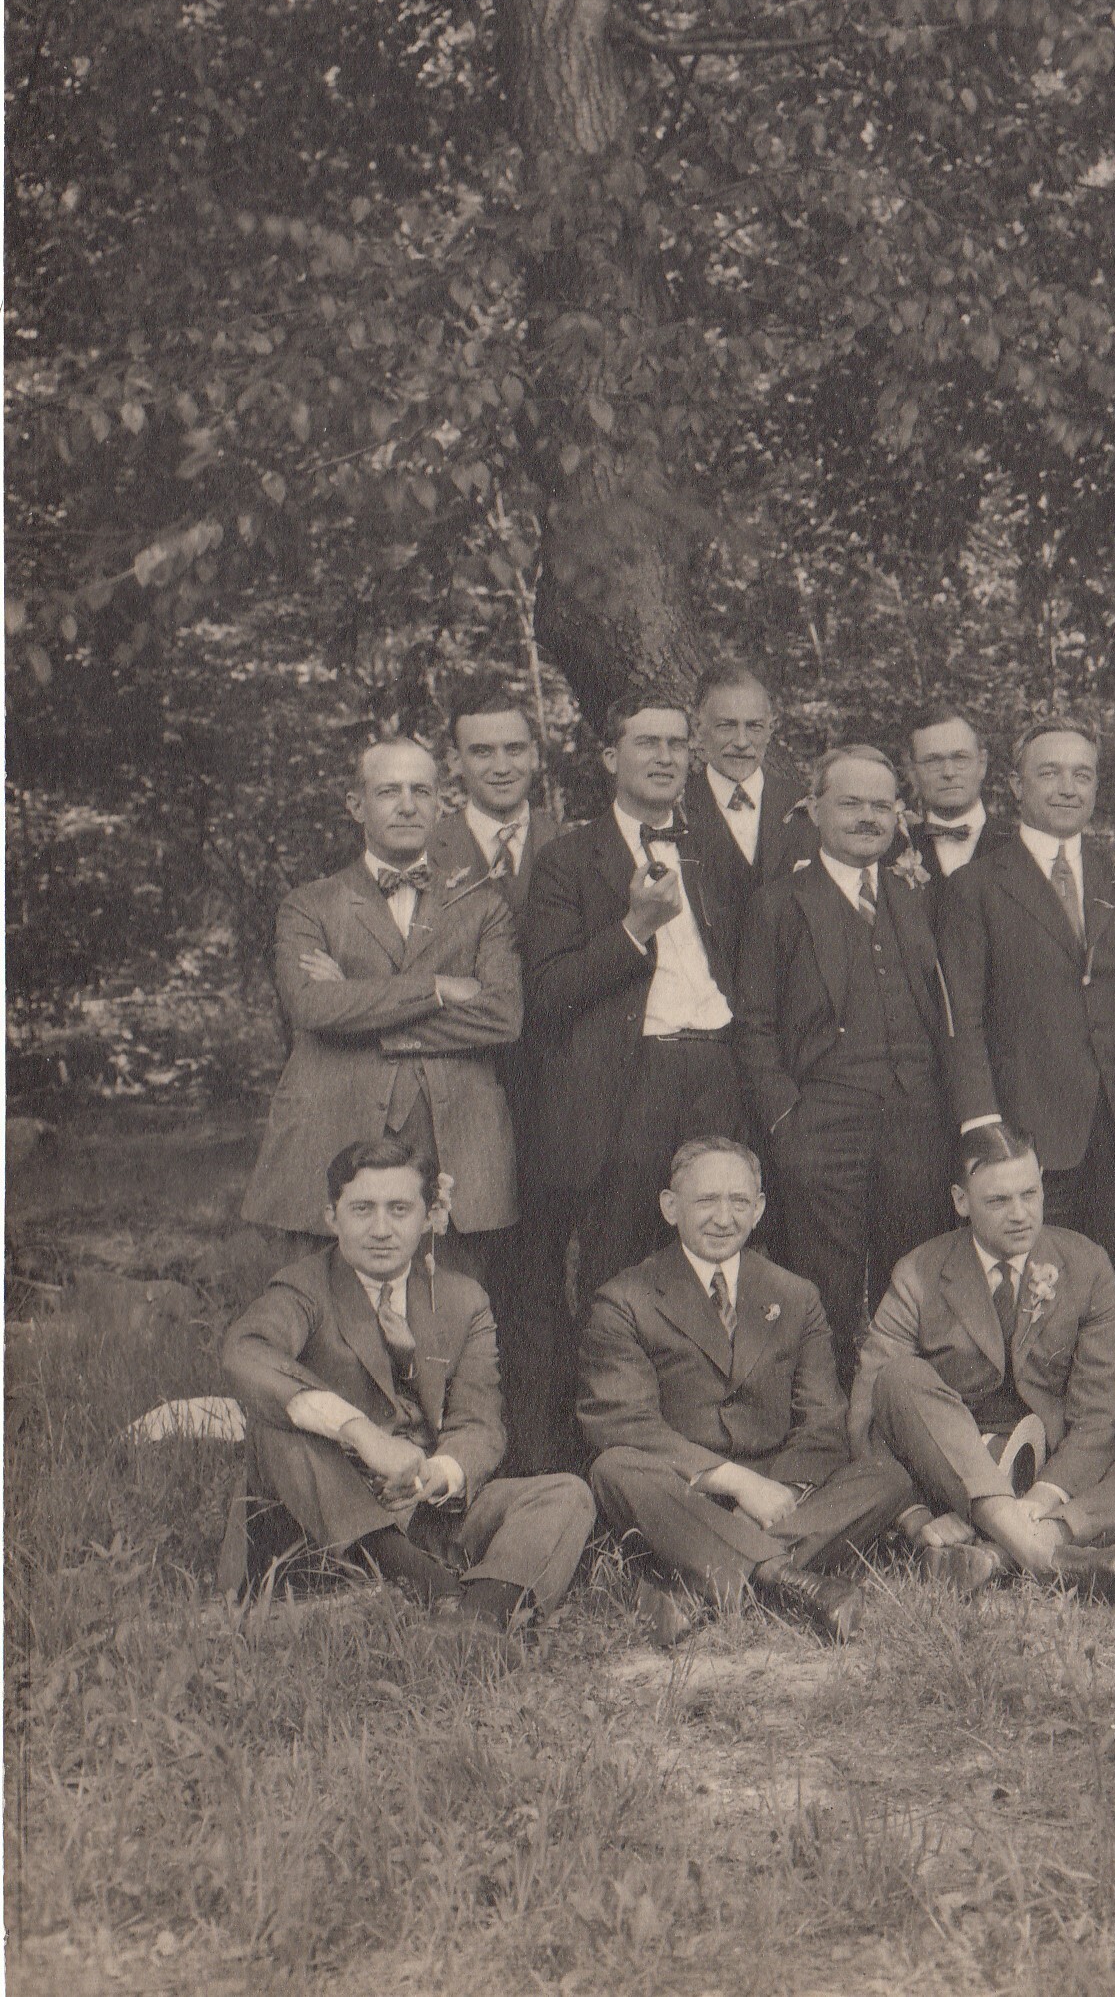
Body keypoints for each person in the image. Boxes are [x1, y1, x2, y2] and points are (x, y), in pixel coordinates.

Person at [223, 1140, 591, 1632]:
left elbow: (479, 1425)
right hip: (328, 1514)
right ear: (332, 1218)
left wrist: (436, 1475)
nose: (380, 1230)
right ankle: (427, 1585)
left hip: (423, 1512)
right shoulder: (303, 1288)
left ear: (429, 1216)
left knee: (566, 1493)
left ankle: (478, 1616)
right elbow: (246, 1350)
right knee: (277, 1421)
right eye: (361, 1210)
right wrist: (361, 1434)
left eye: (399, 1209)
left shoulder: (463, 1300)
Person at [515, 696, 748, 1468]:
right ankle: (608, 1461)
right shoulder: (566, 862)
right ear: (608, 758)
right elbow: (544, 996)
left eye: (679, 744)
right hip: (631, 1082)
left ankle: (707, 1446)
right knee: (618, 1266)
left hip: (717, 1068)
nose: (666, 757)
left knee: (719, 1254)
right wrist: (634, 929)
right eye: (646, 743)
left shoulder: (716, 854)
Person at [851, 1123, 1115, 1599]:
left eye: (1030, 1193)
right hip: (949, 1482)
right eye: (998, 1201)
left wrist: (1042, 1499)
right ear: (961, 1202)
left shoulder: (1086, 1265)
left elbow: (1101, 1419)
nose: (1021, 1214)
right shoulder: (919, 1273)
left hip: (1054, 1476)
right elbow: (867, 1414)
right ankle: (1046, 1560)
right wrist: (916, 1518)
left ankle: (1008, 1550)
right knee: (900, 1378)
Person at [577, 1138, 915, 1643]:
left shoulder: (795, 1295)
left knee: (887, 1475)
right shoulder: (625, 1299)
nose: (723, 1217)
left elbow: (823, 1419)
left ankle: (698, 1582)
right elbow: (625, 1424)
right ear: (671, 1208)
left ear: (758, 1210)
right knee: (615, 1469)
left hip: (781, 1491)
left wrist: (780, 1492)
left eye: (739, 1202)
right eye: (706, 1201)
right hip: (683, 1490)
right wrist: (736, 1484)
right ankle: (789, 1581)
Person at [238, 738, 523, 1277]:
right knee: (329, 1317)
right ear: (355, 805)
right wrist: (438, 987)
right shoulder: (311, 903)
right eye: (389, 791)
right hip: (332, 1127)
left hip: (454, 1135)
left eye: (422, 791)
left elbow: (503, 1016)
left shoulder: (482, 904)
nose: (408, 805)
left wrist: (366, 1013)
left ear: (442, 804)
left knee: (450, 1314)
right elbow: (313, 1006)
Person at [936, 716, 1115, 1265]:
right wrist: (982, 1121)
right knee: (1039, 1283)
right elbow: (962, 1017)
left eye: (1082, 775)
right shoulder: (975, 887)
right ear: (1015, 786)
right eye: (1050, 773)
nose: (1067, 788)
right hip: (1028, 1131)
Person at [733, 745, 958, 1364]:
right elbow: (751, 1026)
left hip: (915, 1124)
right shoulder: (779, 905)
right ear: (815, 810)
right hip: (820, 1125)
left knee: (915, 1281)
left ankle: (908, 1415)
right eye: (851, 803)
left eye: (881, 805)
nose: (868, 817)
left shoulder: (920, 899)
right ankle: (826, 1428)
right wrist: (788, 1120)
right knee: (823, 1292)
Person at [428, 693, 568, 917]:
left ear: (533, 755)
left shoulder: (570, 845)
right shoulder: (428, 852)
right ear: (455, 761)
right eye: (482, 752)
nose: (502, 767)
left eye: (514, 749)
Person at [685, 661, 815, 888]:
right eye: (726, 726)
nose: (742, 742)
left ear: (769, 730)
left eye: (754, 726)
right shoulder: (679, 807)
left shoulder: (805, 806)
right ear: (698, 730)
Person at [903, 705, 1000, 880]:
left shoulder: (1019, 844)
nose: (948, 772)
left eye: (960, 758)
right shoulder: (894, 848)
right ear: (912, 772)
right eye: (933, 761)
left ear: (982, 764)